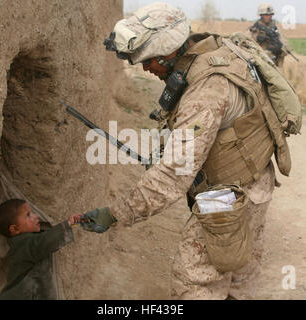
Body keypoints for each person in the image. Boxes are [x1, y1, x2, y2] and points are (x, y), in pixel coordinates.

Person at [81, 2, 291, 299]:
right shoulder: (215, 51)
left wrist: (115, 214)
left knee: (194, 283)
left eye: (149, 61)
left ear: (170, 52)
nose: (146, 69)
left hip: (230, 198)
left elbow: (174, 175)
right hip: (254, 183)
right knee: (239, 275)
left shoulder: (206, 91)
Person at [0, 198, 82, 300]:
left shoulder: (26, 242)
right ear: (15, 229)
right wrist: (68, 224)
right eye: (28, 215)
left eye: (32, 213)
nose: (36, 216)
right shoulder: (23, 245)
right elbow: (44, 241)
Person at [247, 2, 289, 68]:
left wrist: (279, 50)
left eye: (270, 14)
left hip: (275, 64)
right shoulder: (253, 29)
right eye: (266, 15)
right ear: (261, 15)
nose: (268, 17)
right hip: (259, 63)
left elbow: (286, 47)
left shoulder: (276, 30)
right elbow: (247, 46)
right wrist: (258, 40)